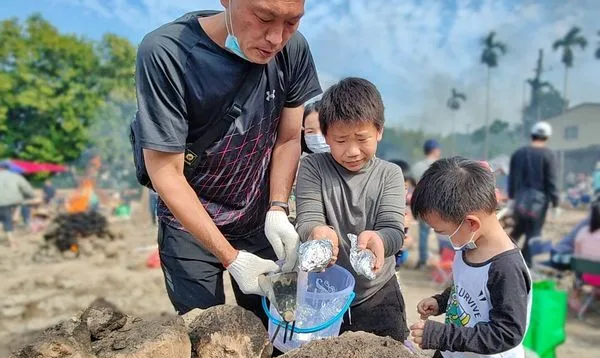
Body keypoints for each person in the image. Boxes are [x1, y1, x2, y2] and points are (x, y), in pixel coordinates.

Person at [133, 1, 321, 319]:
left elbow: (289, 138)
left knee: (281, 327)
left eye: (292, 22)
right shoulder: (167, 53)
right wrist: (230, 258)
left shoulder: (294, 50)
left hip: (259, 219)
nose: (276, 38)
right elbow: (166, 170)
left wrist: (278, 208)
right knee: (207, 333)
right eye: (263, 17)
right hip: (189, 223)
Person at [409, 157, 531, 358]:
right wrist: (441, 301)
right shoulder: (467, 245)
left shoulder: (506, 269)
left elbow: (507, 333)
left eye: (440, 230)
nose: (439, 235)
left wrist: (440, 335)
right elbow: (466, 287)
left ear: (471, 223)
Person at [296, 77, 407, 340]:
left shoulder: (390, 174)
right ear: (326, 136)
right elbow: (308, 219)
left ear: (379, 131)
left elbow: (393, 229)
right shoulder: (313, 168)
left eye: (361, 138)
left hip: (378, 295)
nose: (353, 151)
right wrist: (318, 232)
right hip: (325, 294)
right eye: (341, 140)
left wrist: (380, 239)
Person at [508, 121, 559, 267]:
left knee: (518, 229)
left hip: (520, 202)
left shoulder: (519, 154)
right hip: (538, 204)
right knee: (533, 234)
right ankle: (525, 265)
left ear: (532, 135)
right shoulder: (549, 155)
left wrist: (512, 199)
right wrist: (555, 203)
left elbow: (513, 178)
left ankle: (501, 254)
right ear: (547, 137)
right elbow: (551, 181)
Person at [412, 139, 442, 269]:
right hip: (439, 204)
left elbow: (413, 185)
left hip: (423, 204)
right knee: (442, 233)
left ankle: (422, 261)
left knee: (423, 234)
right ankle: (444, 260)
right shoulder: (441, 166)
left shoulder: (417, 167)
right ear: (435, 150)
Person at [0, 162, 36, 248]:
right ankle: (15, 219)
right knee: (19, 206)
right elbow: (26, 188)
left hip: (2, 203)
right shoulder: (16, 176)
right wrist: (31, 196)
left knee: (6, 220)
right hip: (16, 202)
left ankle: (12, 241)